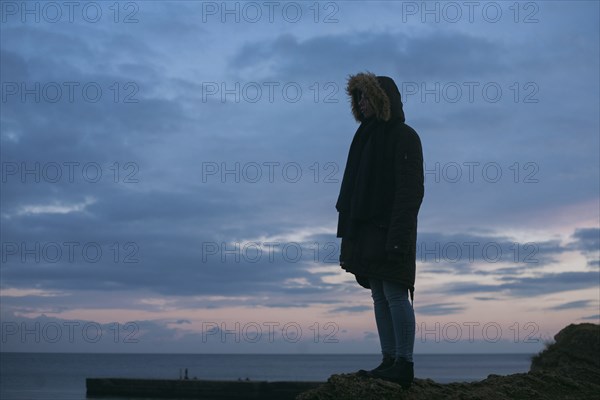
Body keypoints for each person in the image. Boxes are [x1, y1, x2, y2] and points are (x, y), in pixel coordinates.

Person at [335, 72, 424, 389]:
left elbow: (410, 192)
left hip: (393, 229)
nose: (361, 102)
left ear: (382, 99)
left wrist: (398, 237)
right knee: (379, 295)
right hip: (369, 230)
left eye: (366, 96)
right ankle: (389, 360)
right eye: (357, 97)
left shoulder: (404, 136)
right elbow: (354, 191)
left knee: (396, 293)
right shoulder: (365, 138)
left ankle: (404, 362)